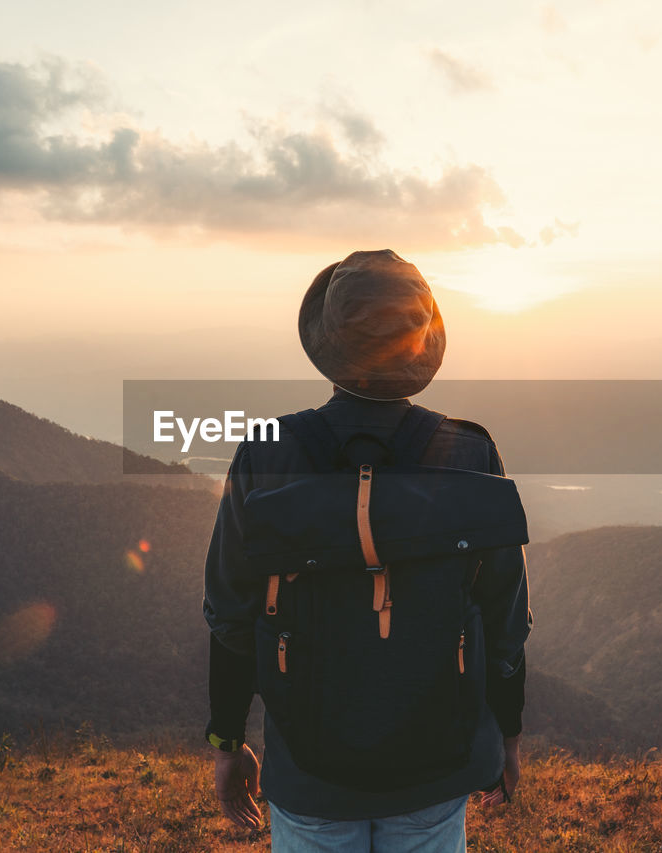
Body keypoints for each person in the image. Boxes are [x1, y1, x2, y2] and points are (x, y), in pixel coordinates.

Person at [203, 249, 531, 852]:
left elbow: (231, 616)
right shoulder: (470, 453)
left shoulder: (265, 454)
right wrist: (506, 735)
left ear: (328, 345)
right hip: (437, 759)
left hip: (307, 768)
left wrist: (228, 740)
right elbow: (504, 622)